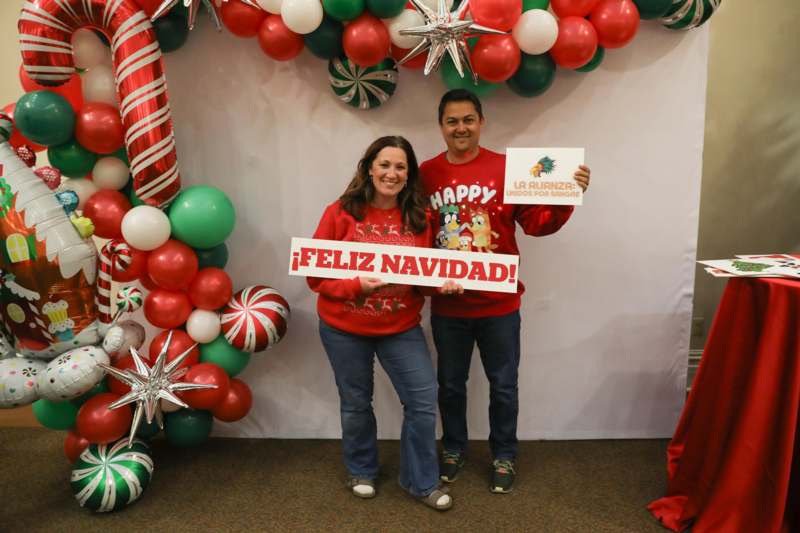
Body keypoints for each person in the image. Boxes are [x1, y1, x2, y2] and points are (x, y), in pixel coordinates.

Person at [419, 89, 591, 494]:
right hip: (449, 303)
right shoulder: (425, 173)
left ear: (481, 122)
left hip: (499, 303)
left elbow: (535, 223)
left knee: (504, 385)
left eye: (467, 119)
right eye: (452, 121)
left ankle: (504, 454)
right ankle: (454, 448)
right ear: (440, 126)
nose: (460, 128)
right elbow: (418, 232)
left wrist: (568, 195)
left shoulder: (509, 168)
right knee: (449, 384)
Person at [308, 135, 461, 511]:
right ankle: (361, 469)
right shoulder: (340, 212)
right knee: (356, 402)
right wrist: (354, 285)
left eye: (400, 167)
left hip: (400, 328)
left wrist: (442, 285)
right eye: (385, 165)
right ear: (369, 168)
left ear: (409, 175)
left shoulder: (420, 217)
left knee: (423, 402)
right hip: (344, 328)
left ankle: (420, 480)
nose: (392, 173)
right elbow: (315, 275)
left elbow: (421, 279)